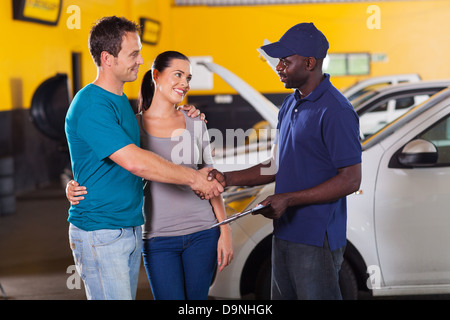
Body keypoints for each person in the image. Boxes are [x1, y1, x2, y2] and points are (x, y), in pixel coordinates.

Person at [64, 16, 223, 300]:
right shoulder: (91, 104)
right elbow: (136, 161)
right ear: (107, 58)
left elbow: (96, 162)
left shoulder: (119, 103)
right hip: (101, 231)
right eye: (133, 53)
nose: (141, 60)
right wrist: (194, 178)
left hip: (128, 227)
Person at [207, 23, 362, 300]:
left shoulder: (336, 110)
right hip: (285, 232)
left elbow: (351, 179)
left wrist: (288, 199)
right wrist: (228, 178)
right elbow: (277, 164)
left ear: (309, 63)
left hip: (317, 238)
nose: (278, 67)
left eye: (285, 62)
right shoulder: (291, 104)